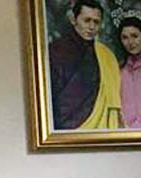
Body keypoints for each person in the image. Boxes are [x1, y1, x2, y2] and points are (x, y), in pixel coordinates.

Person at [49, 0, 120, 129]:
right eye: (87, 21)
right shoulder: (56, 51)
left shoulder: (105, 55)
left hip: (99, 128)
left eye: (96, 22)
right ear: (73, 19)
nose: (92, 27)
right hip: (64, 128)